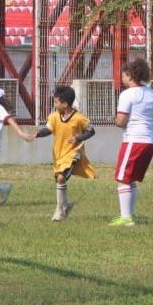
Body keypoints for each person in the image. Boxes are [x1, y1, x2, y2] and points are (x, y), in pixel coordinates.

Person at [34, 85, 96, 221]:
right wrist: (37, 133)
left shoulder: (79, 118)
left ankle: (59, 210)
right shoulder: (54, 117)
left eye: (56, 102)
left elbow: (91, 131)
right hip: (59, 154)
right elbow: (48, 129)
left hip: (74, 153)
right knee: (59, 179)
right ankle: (65, 205)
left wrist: (77, 138)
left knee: (61, 177)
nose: (55, 104)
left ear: (65, 104)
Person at [111, 58, 153, 227]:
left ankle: (126, 218)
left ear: (129, 75)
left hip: (134, 139)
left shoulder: (127, 94)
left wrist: (115, 120)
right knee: (131, 178)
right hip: (150, 140)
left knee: (122, 177)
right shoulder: (152, 92)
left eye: (123, 75)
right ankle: (129, 215)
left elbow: (121, 121)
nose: (121, 78)